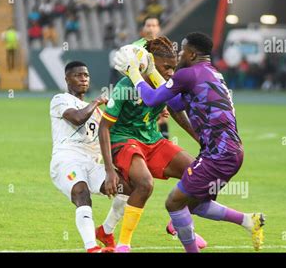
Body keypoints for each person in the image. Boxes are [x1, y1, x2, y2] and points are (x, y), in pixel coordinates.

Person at [114, 32, 265, 252]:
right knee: (196, 203)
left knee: (173, 203)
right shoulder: (212, 74)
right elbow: (176, 104)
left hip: (218, 155)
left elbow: (151, 99)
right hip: (231, 152)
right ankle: (249, 221)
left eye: (183, 50)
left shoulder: (187, 75)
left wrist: (135, 73)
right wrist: (153, 72)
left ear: (192, 54)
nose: (180, 54)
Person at [99, 37, 206, 253]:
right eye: (166, 67)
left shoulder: (164, 84)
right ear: (149, 61)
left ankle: (177, 221)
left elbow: (177, 111)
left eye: (173, 68)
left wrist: (200, 138)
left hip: (153, 141)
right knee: (145, 184)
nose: (170, 72)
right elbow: (104, 128)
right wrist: (109, 170)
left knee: (199, 174)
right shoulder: (125, 85)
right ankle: (123, 245)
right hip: (124, 140)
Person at [50, 61, 132, 253]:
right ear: (67, 79)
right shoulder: (60, 99)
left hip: (92, 164)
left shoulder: (95, 111)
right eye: (78, 75)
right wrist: (96, 102)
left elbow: (111, 134)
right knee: (81, 192)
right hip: (66, 161)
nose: (83, 79)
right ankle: (92, 247)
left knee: (128, 188)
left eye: (86, 75)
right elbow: (77, 117)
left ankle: (106, 230)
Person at [133, 16, 170, 139]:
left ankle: (164, 145)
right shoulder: (136, 46)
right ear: (143, 28)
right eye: (148, 25)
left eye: (154, 25)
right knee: (144, 119)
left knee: (163, 118)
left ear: (159, 28)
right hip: (142, 88)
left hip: (160, 86)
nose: (151, 28)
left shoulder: (165, 46)